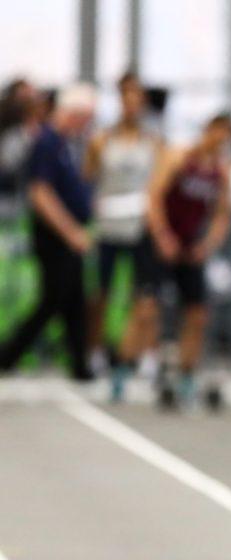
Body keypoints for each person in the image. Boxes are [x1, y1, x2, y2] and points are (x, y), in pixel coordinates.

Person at [111, 113, 231, 407]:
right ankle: (122, 369)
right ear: (208, 130)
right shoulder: (179, 158)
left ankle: (187, 375)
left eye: (227, 136)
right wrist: (162, 236)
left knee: (197, 313)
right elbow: (153, 198)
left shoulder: (220, 171)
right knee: (146, 308)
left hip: (190, 244)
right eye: (218, 133)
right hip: (157, 240)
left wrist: (207, 245)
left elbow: (221, 215)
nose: (221, 140)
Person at [0, 83, 97, 380]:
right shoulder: (47, 143)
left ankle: (81, 365)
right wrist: (70, 232)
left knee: (74, 300)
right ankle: (7, 355)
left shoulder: (67, 144)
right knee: (52, 300)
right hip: (53, 234)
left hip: (68, 231)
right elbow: (40, 193)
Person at [83, 72, 162, 370]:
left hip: (140, 225)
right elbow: (87, 179)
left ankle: (145, 351)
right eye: (126, 97)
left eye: (137, 97)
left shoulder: (152, 142)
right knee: (101, 292)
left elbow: (158, 183)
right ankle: (97, 351)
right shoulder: (102, 141)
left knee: (145, 293)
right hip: (108, 226)